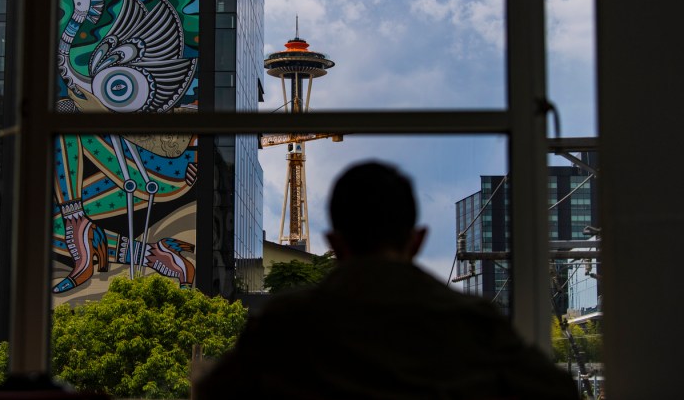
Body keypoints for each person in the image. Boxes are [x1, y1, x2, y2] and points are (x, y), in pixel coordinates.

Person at [194, 161, 578, 400]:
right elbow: (555, 391)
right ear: (417, 240)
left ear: (335, 244)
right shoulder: (473, 321)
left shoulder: (285, 323)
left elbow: (215, 391)